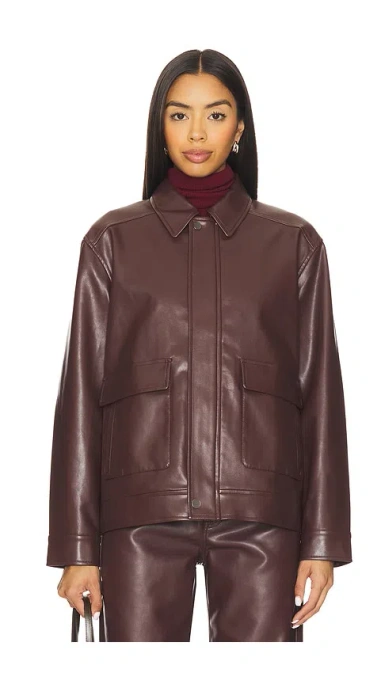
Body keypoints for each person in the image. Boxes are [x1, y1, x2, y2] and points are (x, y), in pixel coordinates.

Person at [46, 48, 352, 642]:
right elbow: (80, 393)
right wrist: (77, 547)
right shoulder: (112, 241)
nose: (196, 133)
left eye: (215, 115)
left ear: (239, 128)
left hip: (262, 513)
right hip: (139, 514)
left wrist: (321, 541)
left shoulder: (294, 244)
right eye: (179, 114)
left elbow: (320, 397)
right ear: (159, 127)